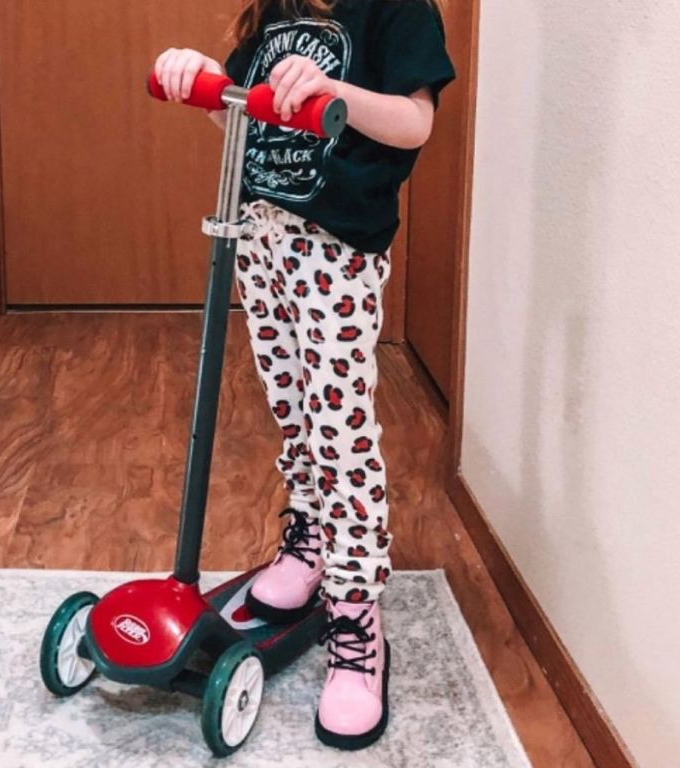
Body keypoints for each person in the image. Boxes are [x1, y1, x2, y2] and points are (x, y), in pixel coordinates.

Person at [153, 0, 455, 751]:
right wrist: (203, 84)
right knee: (291, 410)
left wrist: (334, 92)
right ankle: (312, 538)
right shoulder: (274, 13)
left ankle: (355, 615)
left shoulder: (396, 11)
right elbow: (247, 129)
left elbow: (416, 123)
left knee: (339, 428)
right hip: (262, 237)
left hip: (335, 252)